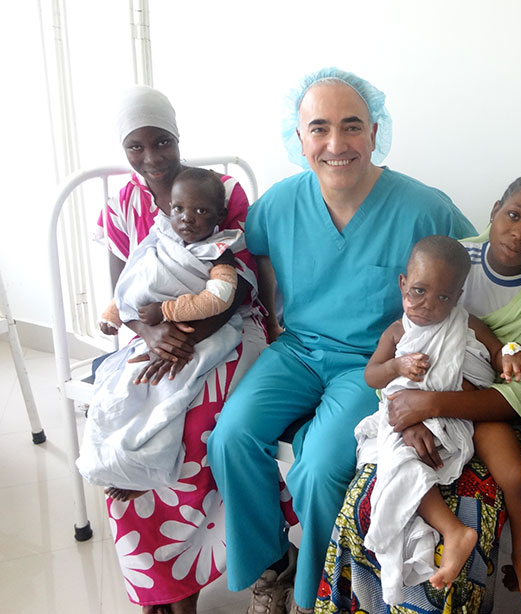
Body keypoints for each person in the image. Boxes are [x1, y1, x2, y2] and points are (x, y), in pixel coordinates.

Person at [206, 68, 475, 614]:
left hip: (372, 366)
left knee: (321, 465)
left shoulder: (424, 208)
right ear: (298, 138)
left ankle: (317, 592)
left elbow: (475, 273)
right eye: (319, 128)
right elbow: (254, 259)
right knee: (230, 437)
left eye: (351, 127)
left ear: (375, 133)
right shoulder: (281, 203)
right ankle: (273, 567)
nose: (336, 144)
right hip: (299, 351)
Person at [318, 173, 521, 614]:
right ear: (495, 210)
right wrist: (412, 408)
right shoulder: (451, 263)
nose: (520, 232)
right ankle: (376, 590)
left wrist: (505, 357)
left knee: (512, 477)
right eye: (513, 215)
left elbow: (506, 358)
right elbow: (383, 373)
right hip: (414, 404)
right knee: (384, 480)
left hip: (488, 403)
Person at [97, 86, 269, 614]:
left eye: (162, 141)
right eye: (136, 147)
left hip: (227, 328)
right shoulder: (121, 205)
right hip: (154, 334)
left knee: (189, 433)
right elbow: (124, 293)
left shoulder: (223, 189)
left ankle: (184, 586)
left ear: (178, 137)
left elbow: (242, 283)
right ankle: (151, 586)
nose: (151, 158)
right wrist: (151, 335)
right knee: (119, 418)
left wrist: (180, 334)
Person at [356, 235, 521, 603]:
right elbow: (373, 376)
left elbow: (498, 352)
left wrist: (513, 354)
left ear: (457, 297)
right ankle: (454, 532)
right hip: (411, 417)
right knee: (404, 464)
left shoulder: (467, 323)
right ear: (403, 283)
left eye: (443, 297)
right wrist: (395, 365)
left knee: (516, 476)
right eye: (418, 291)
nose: (428, 305)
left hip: (472, 413)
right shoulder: (398, 331)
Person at [80, 168, 242, 500]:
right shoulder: (160, 241)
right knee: (126, 386)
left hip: (207, 334)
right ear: (168, 209)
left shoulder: (220, 252)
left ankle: (147, 468)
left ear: (219, 217)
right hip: (154, 332)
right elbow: (133, 282)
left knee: (174, 393)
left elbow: (219, 298)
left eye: (201, 211)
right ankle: (113, 458)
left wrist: (166, 312)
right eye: (179, 209)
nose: (187, 219)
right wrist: (115, 314)